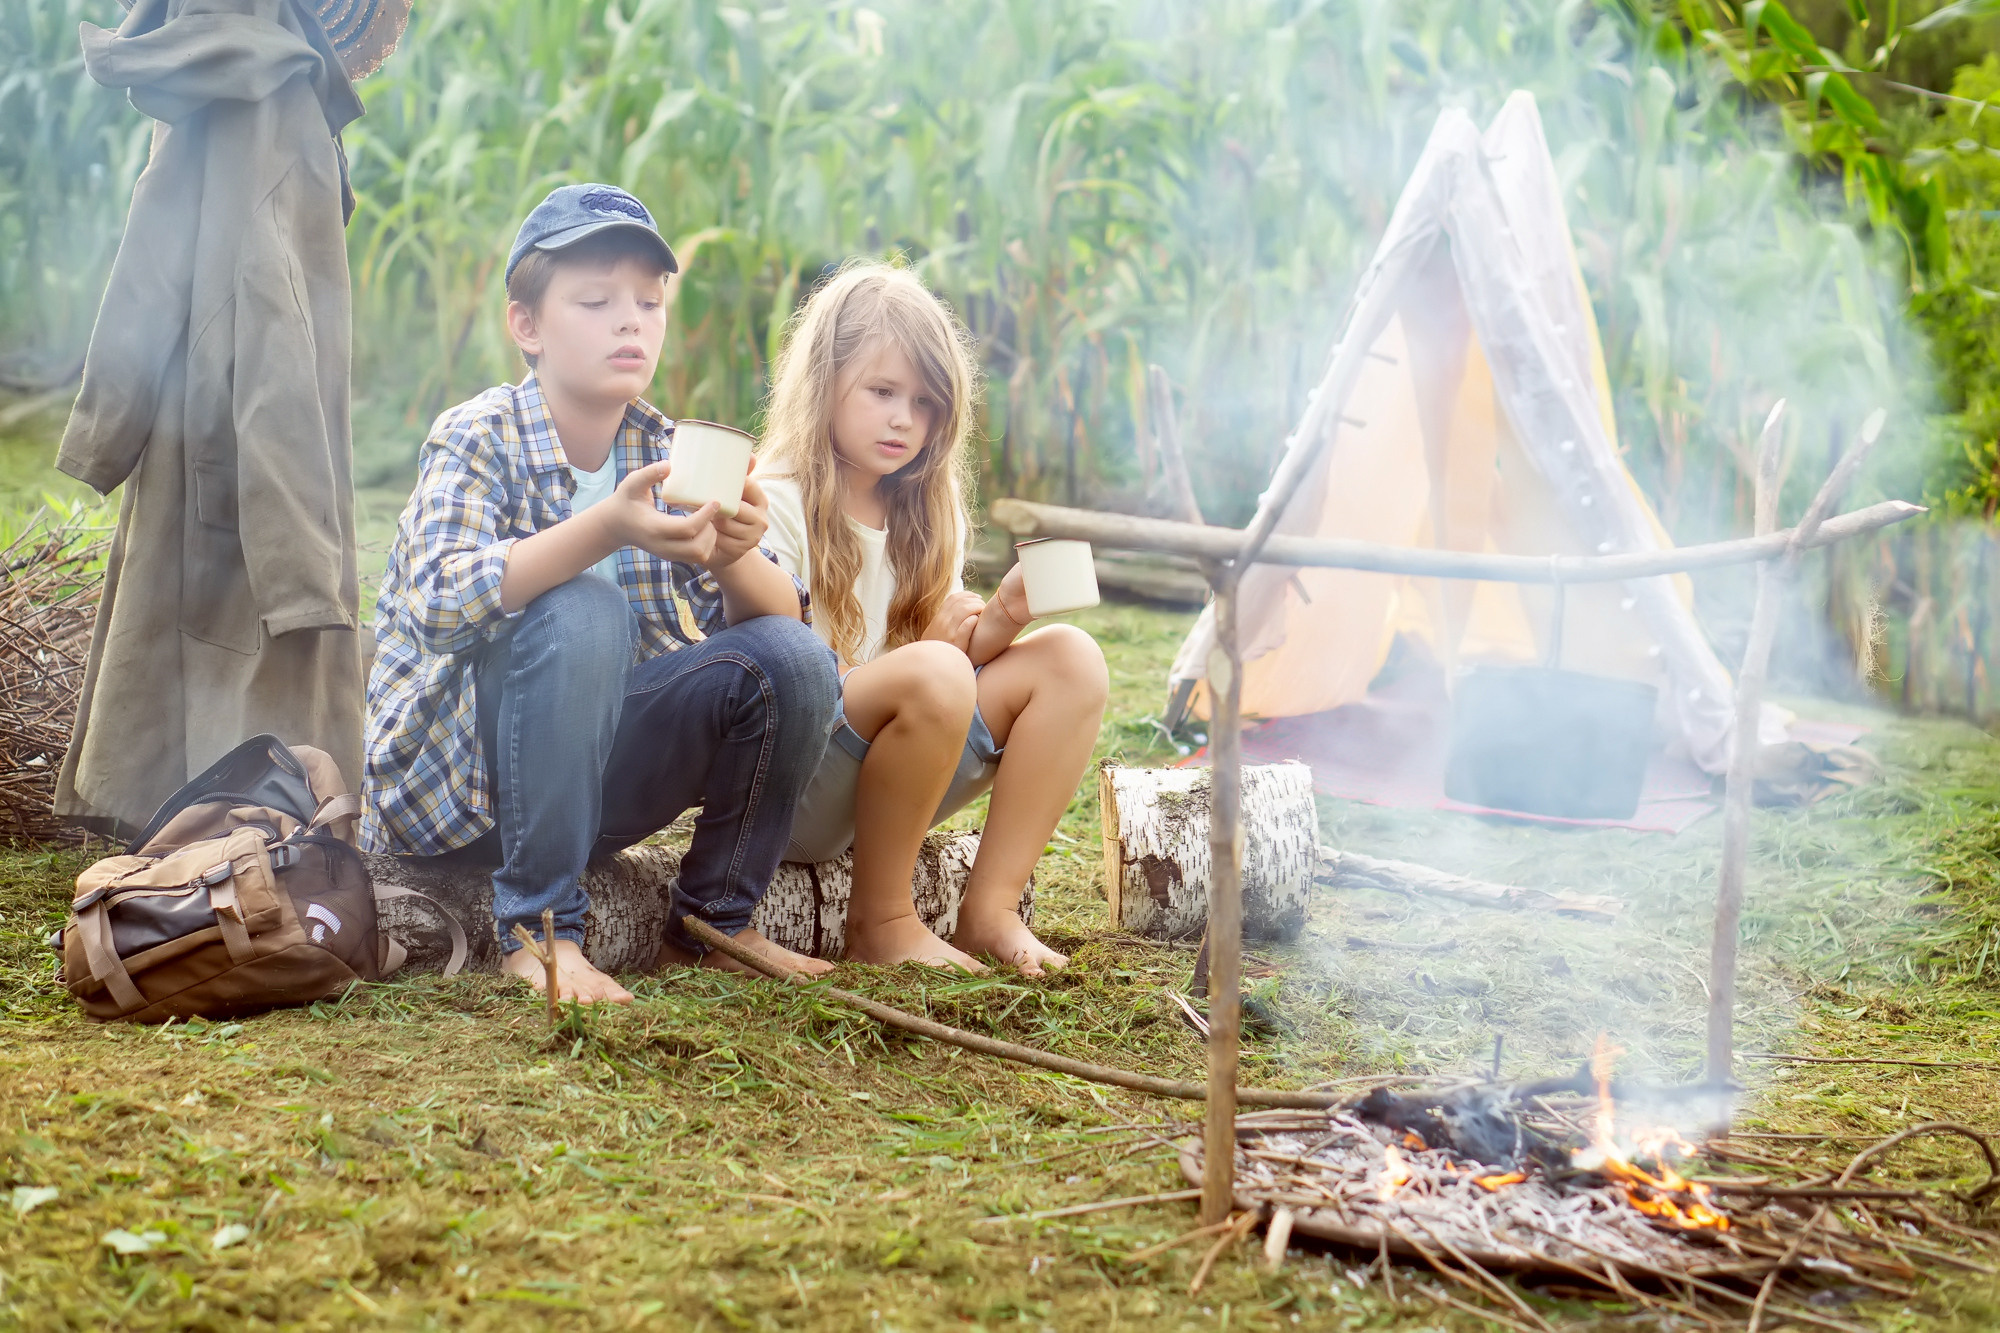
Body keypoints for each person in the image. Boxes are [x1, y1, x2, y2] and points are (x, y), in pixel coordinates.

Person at [362, 184, 840, 1003]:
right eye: (596, 302)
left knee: (794, 658)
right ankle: (540, 934)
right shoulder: (480, 434)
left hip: (594, 784)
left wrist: (735, 555)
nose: (631, 323)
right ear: (527, 326)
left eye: (649, 304)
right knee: (585, 607)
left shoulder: (664, 448)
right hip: (460, 789)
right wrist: (608, 529)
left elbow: (780, 623)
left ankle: (716, 924)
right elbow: (436, 599)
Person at [757, 262, 1108, 977]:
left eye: (924, 403)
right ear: (824, 382)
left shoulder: (927, 512)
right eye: (882, 391)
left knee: (1071, 659)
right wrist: (927, 657)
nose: (903, 419)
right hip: (791, 784)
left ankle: (990, 910)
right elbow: (787, 673)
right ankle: (882, 920)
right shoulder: (774, 500)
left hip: (894, 776)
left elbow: (940, 666)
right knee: (935, 670)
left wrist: (1002, 616)